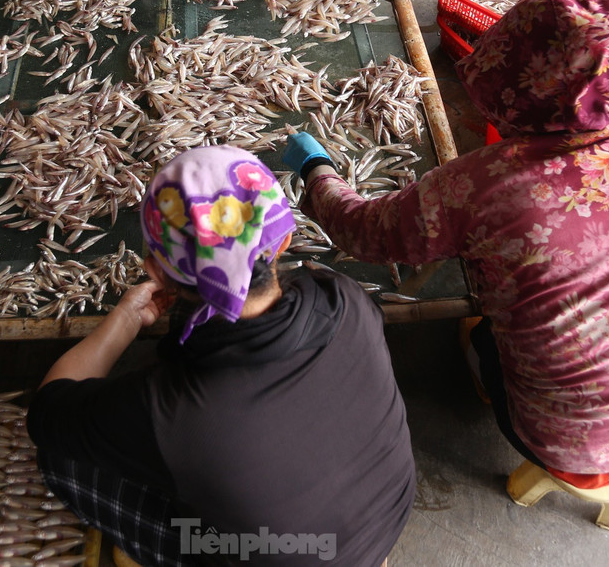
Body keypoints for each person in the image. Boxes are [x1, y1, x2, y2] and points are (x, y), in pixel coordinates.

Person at [282, 0, 609, 491]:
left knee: (489, 328)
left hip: (573, 449)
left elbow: (363, 232)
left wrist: (316, 170)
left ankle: (492, 376)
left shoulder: (481, 186)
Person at [27, 145, 416, 566]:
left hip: (293, 556)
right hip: (386, 520)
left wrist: (124, 320)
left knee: (60, 461)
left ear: (156, 271)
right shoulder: (344, 297)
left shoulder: (170, 409)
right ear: (283, 240)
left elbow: (48, 411)